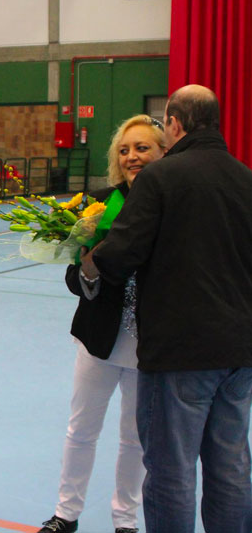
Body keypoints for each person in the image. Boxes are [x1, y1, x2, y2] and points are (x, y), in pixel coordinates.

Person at [82, 85, 252, 533]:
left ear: (174, 124)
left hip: (180, 350)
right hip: (240, 351)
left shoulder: (161, 178)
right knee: (231, 466)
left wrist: (90, 256)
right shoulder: (245, 178)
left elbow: (121, 256)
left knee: (172, 470)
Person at [37, 115, 167, 533]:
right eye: (125, 150)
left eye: (143, 148)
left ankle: (125, 520)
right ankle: (66, 514)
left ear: (164, 152)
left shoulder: (175, 206)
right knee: (81, 430)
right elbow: (73, 278)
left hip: (150, 345)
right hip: (98, 339)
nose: (133, 157)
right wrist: (89, 270)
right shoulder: (97, 204)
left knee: (134, 438)